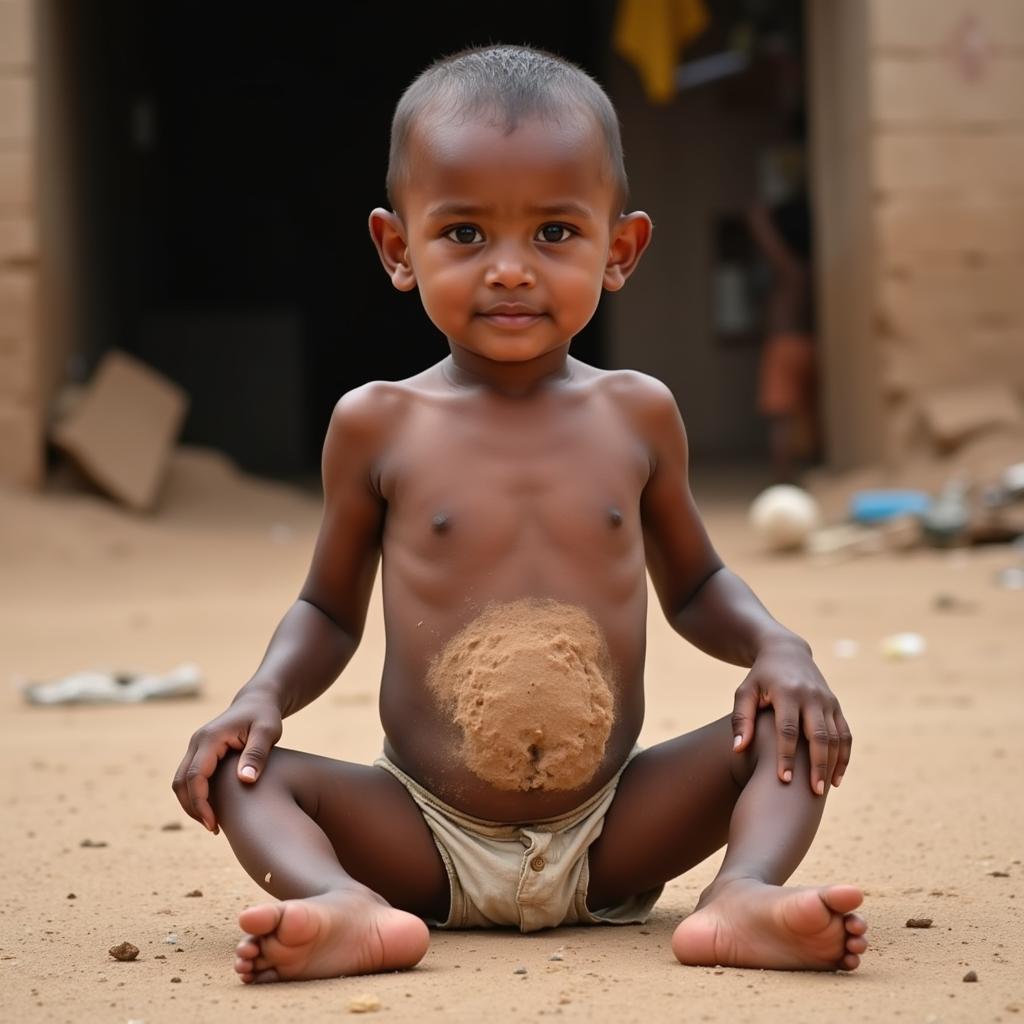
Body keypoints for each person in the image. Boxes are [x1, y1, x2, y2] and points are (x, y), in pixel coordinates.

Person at [172, 44, 866, 984]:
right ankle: (341, 902)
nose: (509, 270)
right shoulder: (378, 423)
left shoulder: (639, 412)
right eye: (463, 234)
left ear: (618, 251)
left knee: (788, 724)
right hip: (420, 834)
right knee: (240, 772)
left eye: (553, 234)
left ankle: (740, 893)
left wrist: (779, 646)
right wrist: (260, 697)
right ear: (396, 249)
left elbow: (696, 582)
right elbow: (330, 611)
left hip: (620, 826)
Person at [748, 191, 819, 482]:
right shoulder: (810, 268)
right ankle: (795, 475)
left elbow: (768, 242)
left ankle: (783, 477)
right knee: (805, 416)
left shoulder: (793, 269)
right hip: (806, 343)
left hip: (786, 346)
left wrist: (759, 217)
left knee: (781, 417)